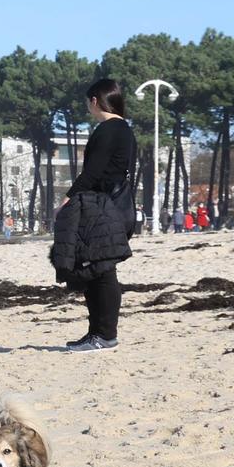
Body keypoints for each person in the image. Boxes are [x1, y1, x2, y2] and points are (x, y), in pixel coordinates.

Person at [59, 78, 138, 350]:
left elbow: (92, 173)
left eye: (87, 102)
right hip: (116, 207)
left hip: (103, 209)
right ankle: (98, 333)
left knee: (101, 272)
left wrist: (67, 200)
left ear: (95, 100)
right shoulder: (125, 130)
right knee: (98, 271)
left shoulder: (107, 130)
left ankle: (104, 335)